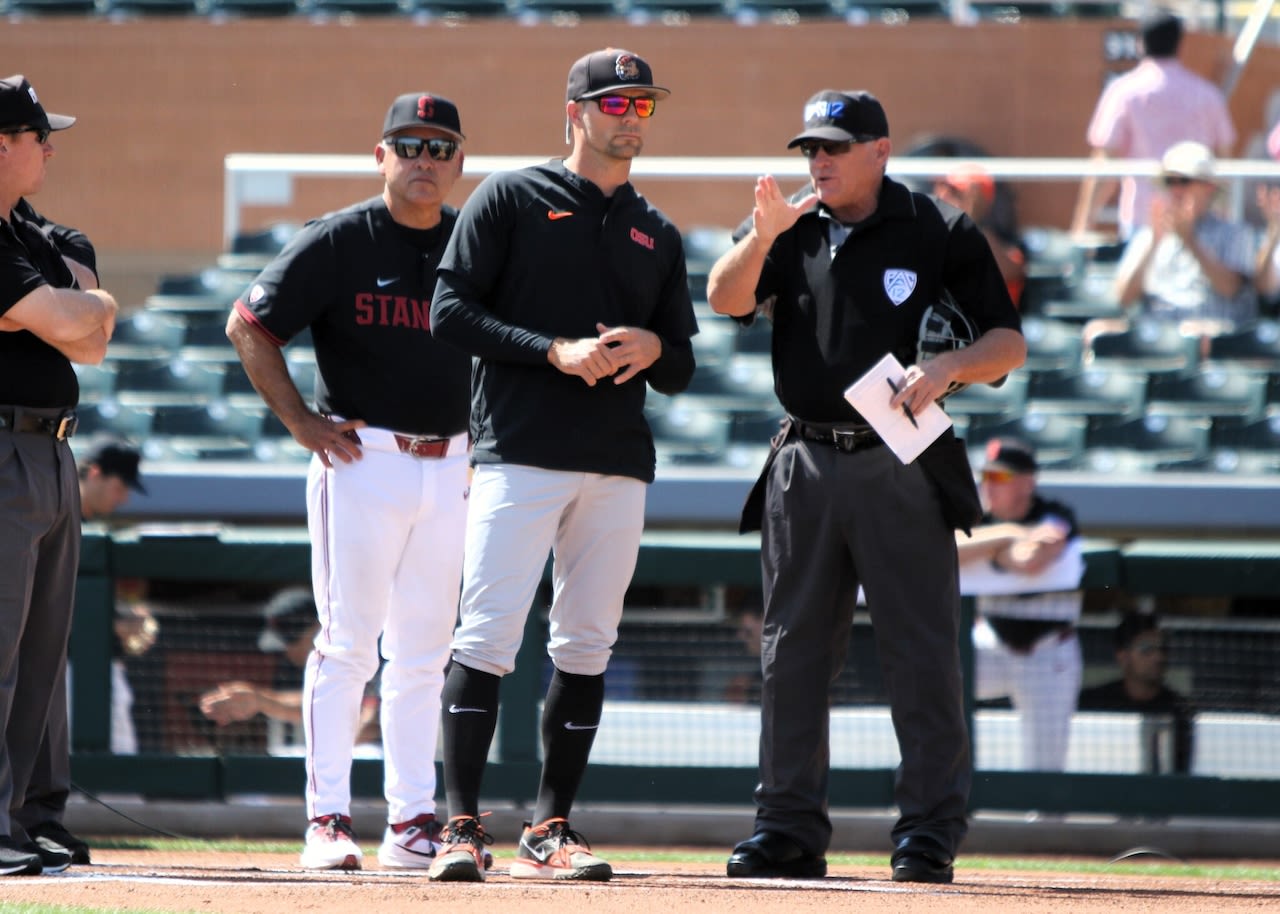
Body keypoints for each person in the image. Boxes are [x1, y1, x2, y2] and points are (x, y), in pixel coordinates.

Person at [706, 89, 1025, 884]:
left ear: (880, 151)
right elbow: (723, 297)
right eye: (811, 146)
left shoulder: (935, 227)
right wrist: (761, 238)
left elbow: (1008, 341)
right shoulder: (793, 224)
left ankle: (927, 832)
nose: (819, 160)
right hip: (806, 457)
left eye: (836, 146)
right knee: (791, 653)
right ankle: (785, 828)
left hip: (901, 459)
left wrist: (951, 366)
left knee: (920, 654)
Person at [426, 48, 697, 884]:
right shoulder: (511, 195)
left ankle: (549, 829)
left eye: (642, 105)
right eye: (613, 102)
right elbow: (448, 312)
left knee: (586, 645)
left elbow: (681, 363)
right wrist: (552, 350)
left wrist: (652, 343)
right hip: (521, 450)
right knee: (487, 636)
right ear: (574, 111)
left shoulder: (658, 229)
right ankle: (457, 828)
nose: (628, 117)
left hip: (616, 461)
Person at [225, 91, 472, 872]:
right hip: (363, 461)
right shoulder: (339, 239)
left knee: (426, 654)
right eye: (409, 144)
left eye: (438, 147)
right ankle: (327, 818)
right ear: (381, 154)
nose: (423, 160)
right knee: (345, 646)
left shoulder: (476, 243)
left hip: (456, 461)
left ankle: (412, 824)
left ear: (458, 162)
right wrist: (301, 422)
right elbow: (249, 324)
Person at [0, 74, 119, 877]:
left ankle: (32, 815)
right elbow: (68, 318)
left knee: (42, 650)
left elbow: (94, 334)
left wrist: (80, 306)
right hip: (3, 445)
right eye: (37, 134)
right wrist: (80, 307)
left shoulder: (39, 235)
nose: (49, 146)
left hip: (52, 449)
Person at [16, 438, 148, 868]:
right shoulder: (33, 497)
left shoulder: (74, 515)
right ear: (95, 474)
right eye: (119, 485)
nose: (123, 497)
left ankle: (39, 819)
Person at [956, 438, 1084, 773]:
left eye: (999, 478)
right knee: (933, 680)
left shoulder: (1054, 514)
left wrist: (989, 547)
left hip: (1047, 651)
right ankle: (947, 796)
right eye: (985, 476)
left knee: (1044, 766)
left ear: (1028, 482)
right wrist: (1010, 534)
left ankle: (1045, 825)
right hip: (992, 646)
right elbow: (942, 548)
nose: (988, 486)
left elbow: (1030, 560)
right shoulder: (980, 518)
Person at [1071, 11, 1235, 242]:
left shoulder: (1123, 92)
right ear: (1179, 44)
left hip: (1143, 220)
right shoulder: (1206, 94)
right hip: (1198, 223)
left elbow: (1104, 163)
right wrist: (1222, 215)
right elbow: (1223, 161)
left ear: (1140, 43)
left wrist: (1082, 225)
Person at [1102, 141, 1260, 340]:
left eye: (1184, 181)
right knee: (1100, 331)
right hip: (1157, 338)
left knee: (1196, 334)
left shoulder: (1235, 233)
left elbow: (1230, 288)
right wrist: (1154, 242)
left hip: (1213, 341)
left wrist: (1189, 241)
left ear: (1208, 187)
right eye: (1170, 182)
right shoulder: (1148, 235)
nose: (1176, 190)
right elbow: (1123, 298)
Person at [198, 588, 379, 752]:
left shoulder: (361, 647)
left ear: (317, 628)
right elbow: (325, 702)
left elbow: (371, 724)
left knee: (367, 752)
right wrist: (259, 701)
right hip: (325, 766)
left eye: (292, 642)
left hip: (380, 765)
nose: (288, 652)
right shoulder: (291, 666)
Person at [1079, 611, 1194, 774]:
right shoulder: (1092, 703)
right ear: (1123, 657)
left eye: (1162, 649)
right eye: (1147, 649)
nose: (1158, 657)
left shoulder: (1180, 709)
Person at [933, 165, 1027, 309]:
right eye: (944, 188)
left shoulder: (1007, 254)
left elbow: (1008, 271)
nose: (944, 195)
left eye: (955, 192)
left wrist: (969, 220)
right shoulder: (928, 235)